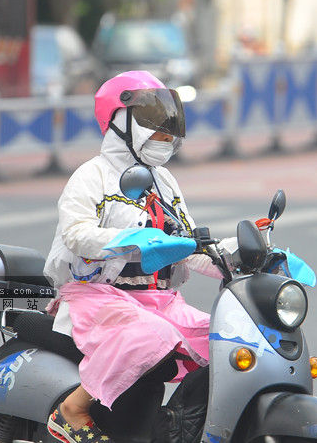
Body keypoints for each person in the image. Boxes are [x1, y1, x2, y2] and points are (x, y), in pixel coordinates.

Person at [43, 70, 220, 443]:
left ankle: (181, 425)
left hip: (158, 300)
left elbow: (188, 247)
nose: (165, 134)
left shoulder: (164, 181)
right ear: (120, 122)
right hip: (97, 297)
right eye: (154, 123)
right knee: (151, 335)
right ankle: (73, 410)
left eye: (168, 125)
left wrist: (236, 260)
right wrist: (134, 241)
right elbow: (76, 235)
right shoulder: (92, 176)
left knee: (226, 338)